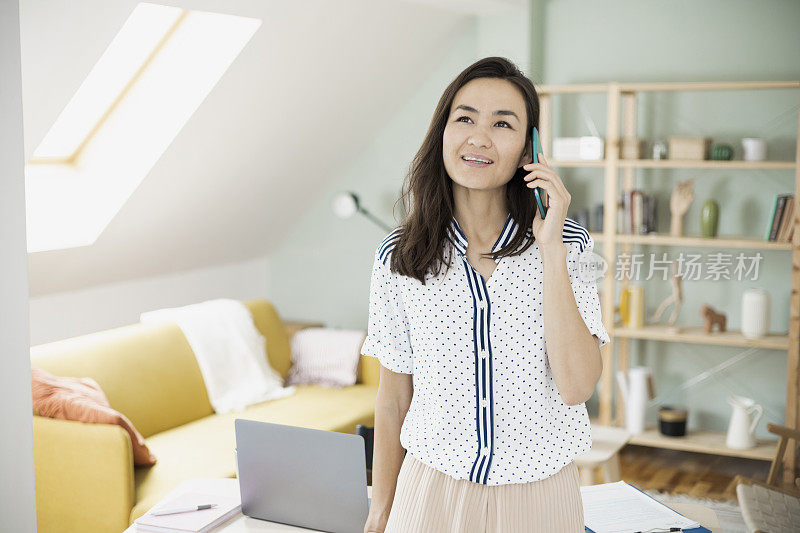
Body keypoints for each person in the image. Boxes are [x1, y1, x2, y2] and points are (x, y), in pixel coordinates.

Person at [361, 56, 610, 533]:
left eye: (503, 123)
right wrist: (380, 509)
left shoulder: (568, 244)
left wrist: (551, 250)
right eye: (465, 118)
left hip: (539, 493)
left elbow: (577, 386)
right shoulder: (400, 256)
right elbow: (393, 399)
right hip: (428, 490)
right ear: (443, 134)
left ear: (527, 149)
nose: (479, 137)